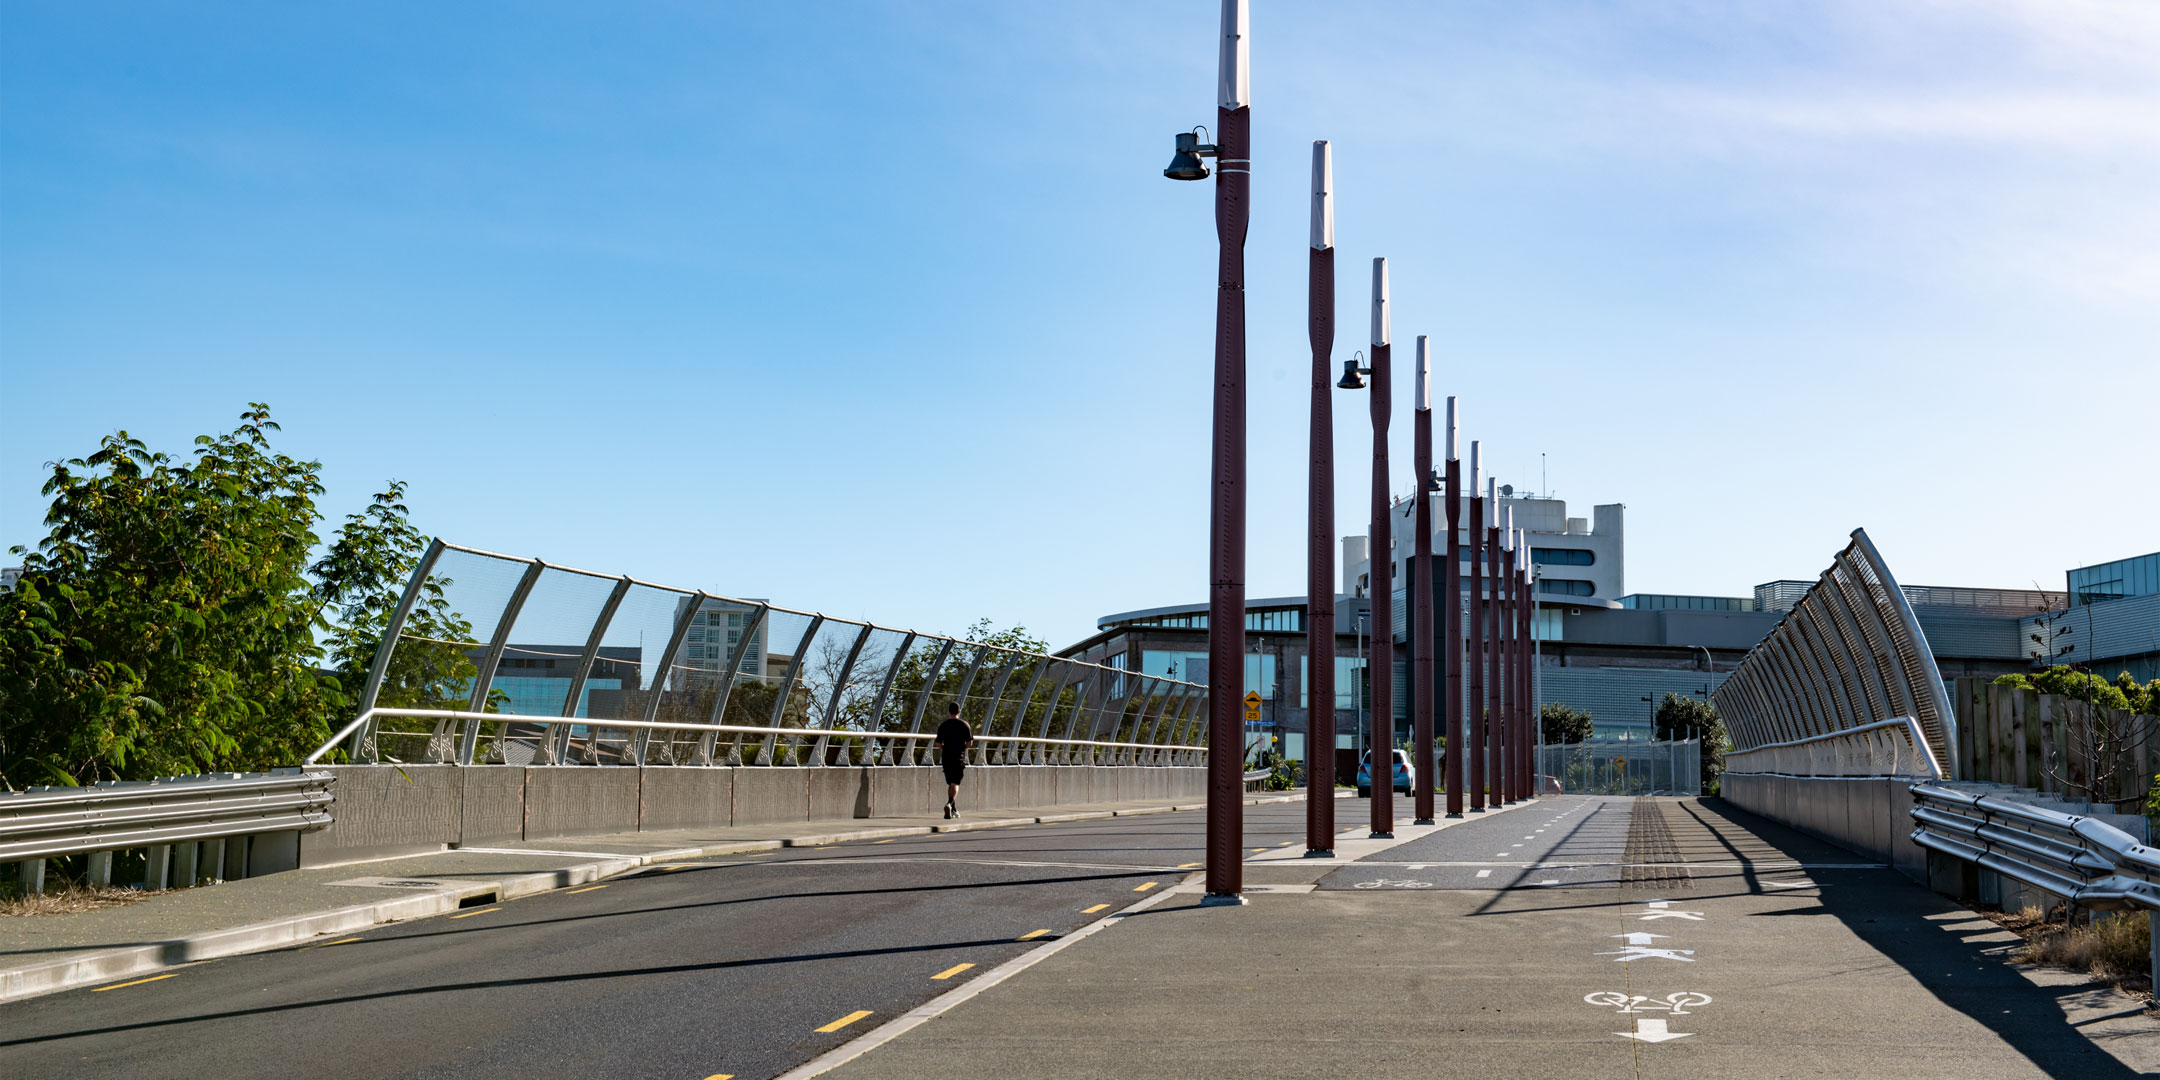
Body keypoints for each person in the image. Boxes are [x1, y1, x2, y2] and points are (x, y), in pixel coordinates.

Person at [934, 701, 973, 819]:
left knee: (950, 783)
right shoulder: (964, 725)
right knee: (955, 783)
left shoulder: (943, 725)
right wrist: (962, 747)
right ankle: (949, 803)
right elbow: (970, 743)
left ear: (949, 712)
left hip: (946, 757)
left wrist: (945, 748)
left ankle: (953, 810)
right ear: (959, 712)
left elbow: (938, 744)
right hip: (958, 757)